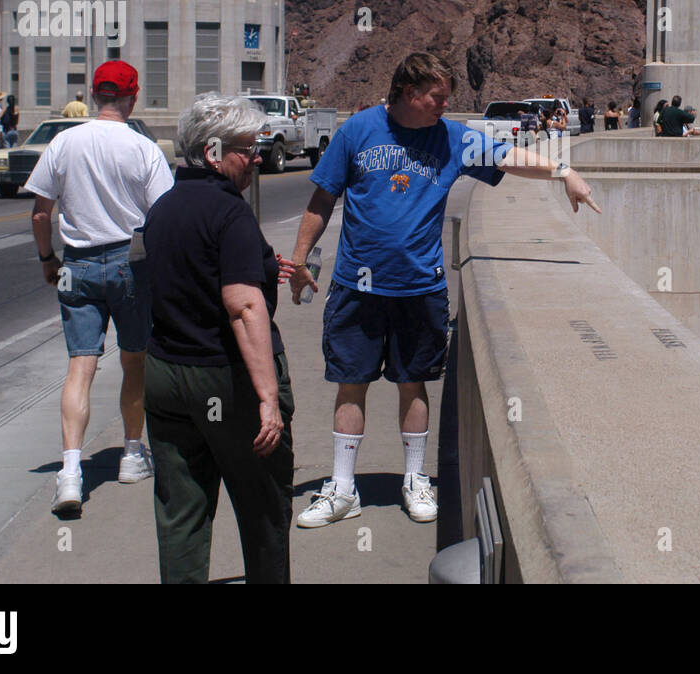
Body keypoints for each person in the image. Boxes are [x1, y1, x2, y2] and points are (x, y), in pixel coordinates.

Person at [288, 52, 600, 529]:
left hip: (420, 287)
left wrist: (564, 173)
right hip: (357, 286)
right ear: (409, 93)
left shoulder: (451, 137)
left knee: (413, 382)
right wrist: (301, 258)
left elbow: (508, 156)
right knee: (351, 382)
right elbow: (322, 197)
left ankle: (415, 480)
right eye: (438, 97)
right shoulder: (358, 131)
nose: (445, 105)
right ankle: (343, 487)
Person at [141, 94, 297, 583]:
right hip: (226, 382)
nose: (256, 156)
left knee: (180, 512)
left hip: (166, 377)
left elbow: (190, 274)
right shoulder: (231, 215)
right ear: (212, 152)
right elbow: (242, 305)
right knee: (263, 511)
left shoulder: (163, 208)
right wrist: (267, 399)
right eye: (247, 147)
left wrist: (269, 267)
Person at [26, 61, 174, 516]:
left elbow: (39, 213)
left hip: (79, 263)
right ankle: (132, 454)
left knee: (80, 366)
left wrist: (49, 259)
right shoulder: (143, 148)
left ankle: (71, 470)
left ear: (94, 95)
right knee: (135, 361)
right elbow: (164, 215)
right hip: (132, 263)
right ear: (133, 97)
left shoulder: (63, 142)